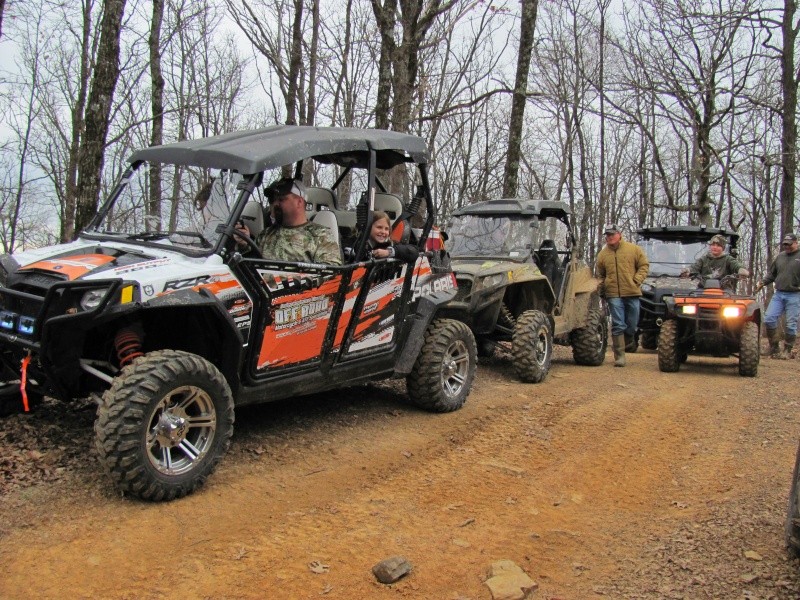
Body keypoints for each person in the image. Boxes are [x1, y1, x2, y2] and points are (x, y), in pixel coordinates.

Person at [596, 223, 650, 367]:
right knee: (618, 323)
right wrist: (602, 289)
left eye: (612, 234)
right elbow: (600, 274)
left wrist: (636, 280)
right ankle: (620, 356)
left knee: (632, 324)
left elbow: (644, 265)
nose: (609, 237)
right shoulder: (602, 254)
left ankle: (629, 339)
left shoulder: (633, 249)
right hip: (613, 293)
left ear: (619, 234)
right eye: (607, 235)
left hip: (632, 291)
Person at [257, 177, 342, 265]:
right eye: (272, 200)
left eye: (281, 199)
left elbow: (330, 272)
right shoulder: (266, 234)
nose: (275, 204)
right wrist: (244, 246)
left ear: (299, 202)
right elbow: (249, 265)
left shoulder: (320, 235)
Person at [756, 232, 800, 358]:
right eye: (785, 245)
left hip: (795, 294)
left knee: (791, 324)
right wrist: (762, 283)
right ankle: (774, 347)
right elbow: (772, 274)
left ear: (796, 243)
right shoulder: (780, 257)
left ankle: (787, 350)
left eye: (789, 244)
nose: (787, 247)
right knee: (769, 318)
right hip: (779, 293)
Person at [684, 234, 749, 286]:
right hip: (703, 289)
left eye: (718, 245)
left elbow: (735, 265)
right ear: (710, 246)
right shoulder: (704, 259)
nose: (715, 247)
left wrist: (741, 269)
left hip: (724, 290)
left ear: (723, 248)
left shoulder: (728, 259)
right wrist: (688, 270)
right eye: (713, 245)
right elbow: (695, 267)